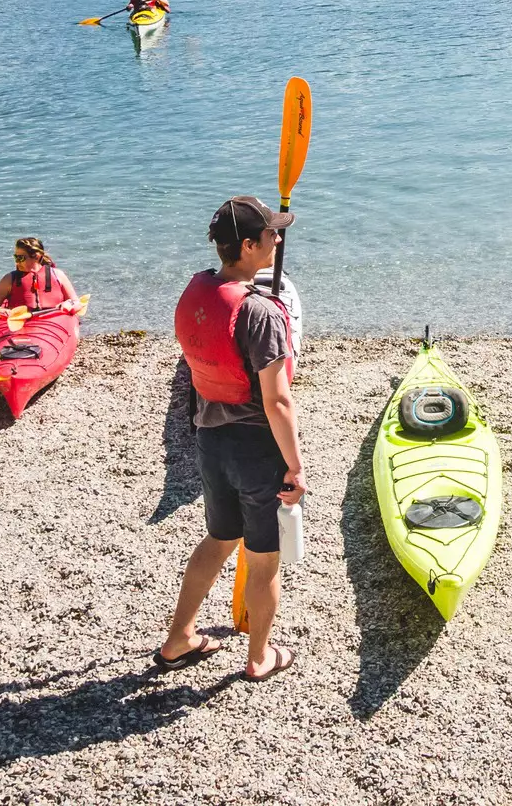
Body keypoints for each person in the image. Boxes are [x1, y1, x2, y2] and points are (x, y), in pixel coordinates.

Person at [159, 196, 305, 680]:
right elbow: (277, 402)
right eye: (270, 235)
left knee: (219, 539)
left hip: (210, 442)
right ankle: (260, 657)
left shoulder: (198, 289)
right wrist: (296, 466)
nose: (278, 240)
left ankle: (179, 637)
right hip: (256, 453)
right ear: (247, 245)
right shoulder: (259, 313)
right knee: (264, 561)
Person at [0, 236, 82, 317]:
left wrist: (68, 304)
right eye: (15, 257)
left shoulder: (58, 275)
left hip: (54, 317)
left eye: (20, 258)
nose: (16, 261)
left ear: (36, 257)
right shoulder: (9, 279)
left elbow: (77, 302)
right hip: (21, 320)